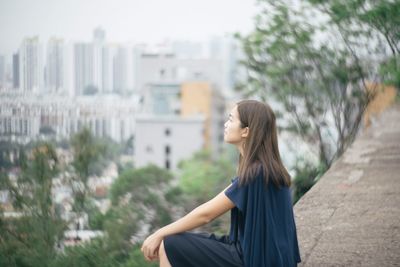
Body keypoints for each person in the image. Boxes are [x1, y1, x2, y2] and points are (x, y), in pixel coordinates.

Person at [141, 99, 301, 267]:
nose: (226, 124)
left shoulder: (255, 173)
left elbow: (206, 215)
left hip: (254, 259)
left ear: (246, 131)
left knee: (169, 245)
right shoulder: (266, 169)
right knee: (180, 241)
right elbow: (214, 204)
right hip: (267, 257)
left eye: (231, 119)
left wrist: (159, 233)